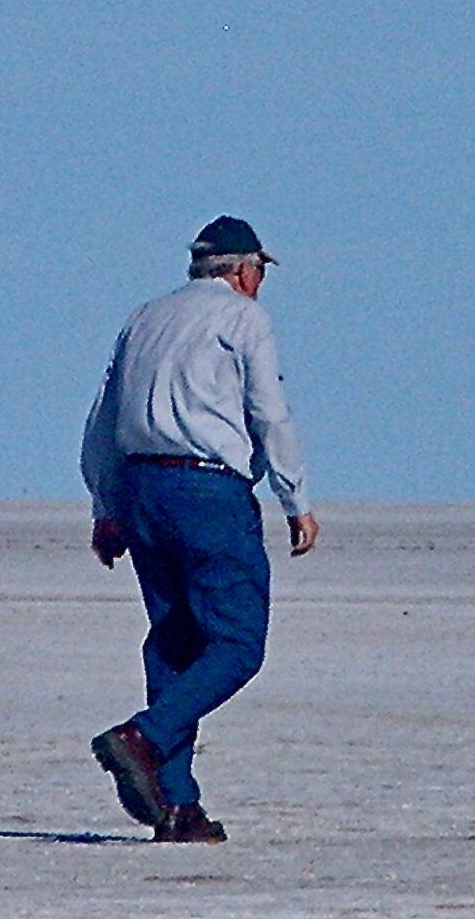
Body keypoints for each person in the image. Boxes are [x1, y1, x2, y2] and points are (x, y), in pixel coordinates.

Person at [79, 216, 319, 842]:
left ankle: (177, 808)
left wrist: (107, 505)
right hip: (206, 488)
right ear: (242, 271)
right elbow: (269, 409)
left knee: (175, 643)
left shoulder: (145, 317)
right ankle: (144, 738)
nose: (260, 282)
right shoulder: (244, 319)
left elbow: (104, 418)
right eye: (260, 271)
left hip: (140, 488)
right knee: (238, 643)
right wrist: (295, 498)